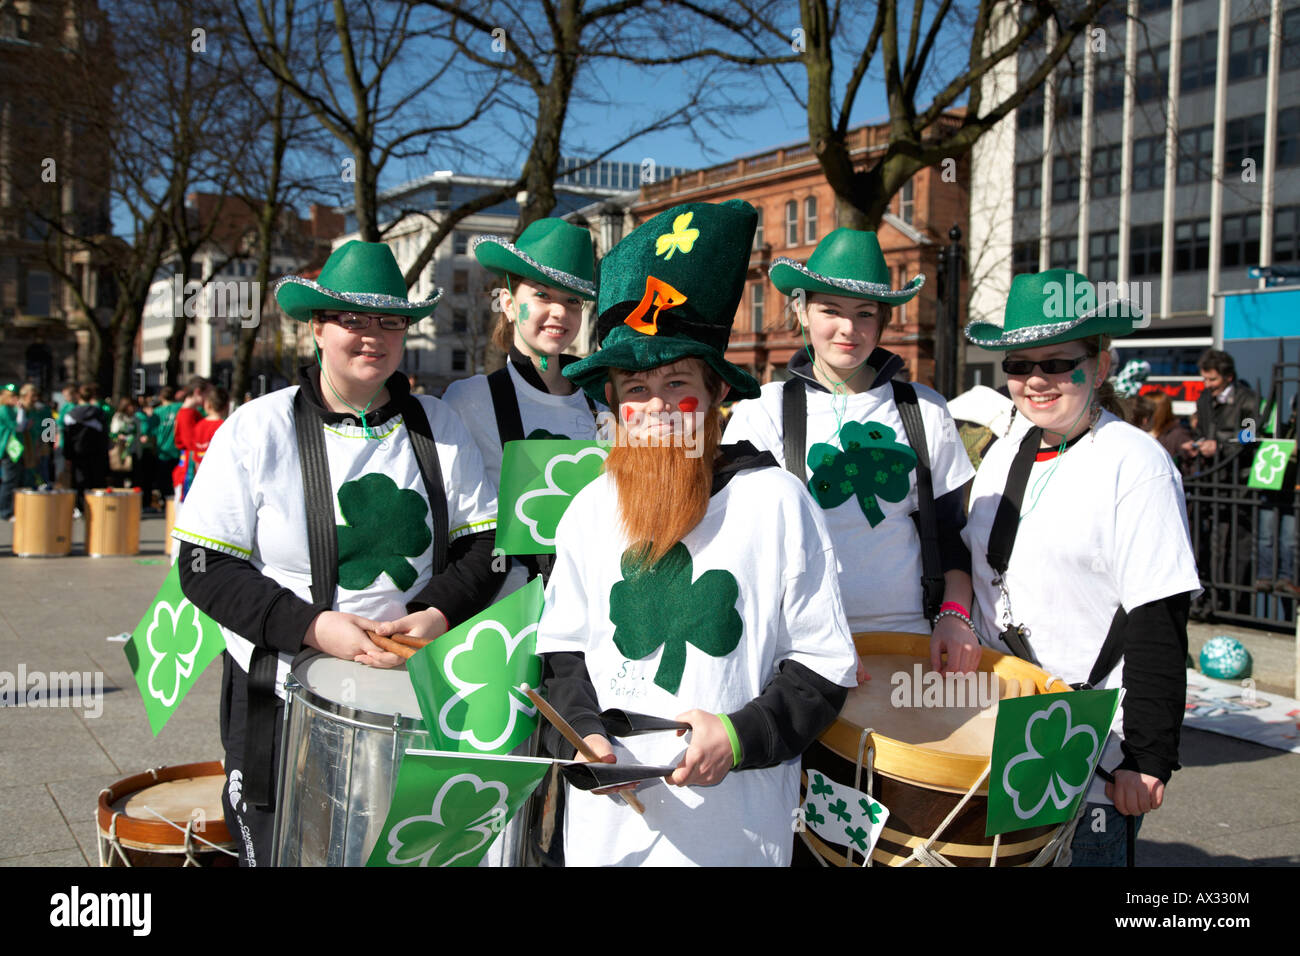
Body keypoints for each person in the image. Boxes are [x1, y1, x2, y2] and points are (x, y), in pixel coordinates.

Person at [536, 200, 858, 866]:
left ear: (715, 396)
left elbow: (823, 669)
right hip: (608, 837)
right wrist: (586, 735)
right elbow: (563, 656)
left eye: (676, 383)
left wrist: (738, 738)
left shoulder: (776, 504)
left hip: (734, 835)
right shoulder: (589, 511)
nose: (654, 408)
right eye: (634, 387)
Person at [174, 240, 505, 866]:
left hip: (411, 696)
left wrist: (436, 612)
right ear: (317, 328)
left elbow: (487, 548)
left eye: (389, 322)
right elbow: (200, 566)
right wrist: (313, 626)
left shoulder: (438, 425)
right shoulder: (257, 426)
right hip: (278, 696)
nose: (372, 337)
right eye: (352, 320)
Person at [957, 269, 1200, 866]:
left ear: (1099, 365)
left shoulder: (1134, 464)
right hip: (999, 731)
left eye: (1058, 363)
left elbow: (1158, 619)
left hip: (1089, 747)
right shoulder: (1008, 451)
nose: (1036, 380)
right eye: (1019, 364)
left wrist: (1146, 758)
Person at [723, 228, 979, 672]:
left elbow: (954, 534)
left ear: (883, 321)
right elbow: (741, 544)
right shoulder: (762, 412)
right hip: (802, 651)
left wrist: (955, 617)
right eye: (830, 310)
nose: (849, 329)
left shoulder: (924, 409)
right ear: (802, 311)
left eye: (865, 314)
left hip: (911, 644)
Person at [443, 218, 599, 590]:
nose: (560, 312)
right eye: (543, 296)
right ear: (510, 305)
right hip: (502, 613)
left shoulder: (603, 404)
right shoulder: (467, 400)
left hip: (587, 606)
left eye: (572, 301)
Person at [63, 383, 110, 515]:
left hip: (77, 452)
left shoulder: (70, 413)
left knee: (79, 480)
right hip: (96, 452)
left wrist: (66, 454)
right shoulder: (100, 413)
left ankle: (80, 507)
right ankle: (97, 506)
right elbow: (104, 435)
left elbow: (65, 434)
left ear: (78, 396)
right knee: (95, 479)